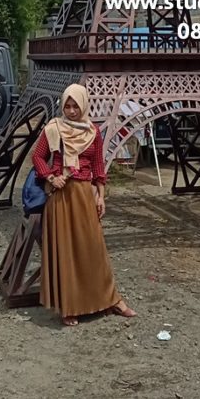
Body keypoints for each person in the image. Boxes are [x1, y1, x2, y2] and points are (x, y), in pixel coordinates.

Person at [32, 84, 137, 327]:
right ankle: (70, 306)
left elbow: (99, 166)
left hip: (85, 196)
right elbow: (37, 156)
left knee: (94, 250)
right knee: (66, 252)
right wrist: (50, 176)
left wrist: (100, 196)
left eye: (75, 106)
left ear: (84, 105)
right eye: (67, 106)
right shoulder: (53, 128)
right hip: (62, 197)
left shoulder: (93, 132)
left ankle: (112, 299)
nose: (70, 111)